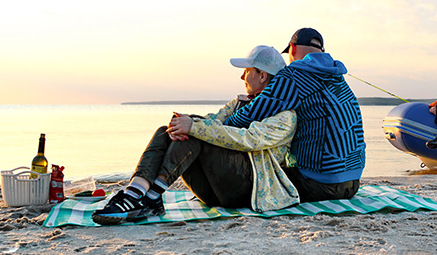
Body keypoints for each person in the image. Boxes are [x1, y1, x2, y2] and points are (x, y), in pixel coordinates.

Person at [92, 45, 299, 225]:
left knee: (196, 131)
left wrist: (193, 127)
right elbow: (214, 120)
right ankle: (136, 193)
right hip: (213, 191)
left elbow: (247, 139)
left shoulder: (285, 116)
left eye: (246, 70)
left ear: (262, 75)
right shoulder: (241, 102)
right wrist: (182, 124)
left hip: (248, 191)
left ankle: (151, 196)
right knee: (167, 131)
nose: (242, 76)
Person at [223, 28, 365, 202]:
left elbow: (251, 114)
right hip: (352, 184)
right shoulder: (339, 79)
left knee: (255, 182)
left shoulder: (293, 76)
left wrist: (221, 127)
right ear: (322, 51)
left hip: (319, 185)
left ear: (293, 48)